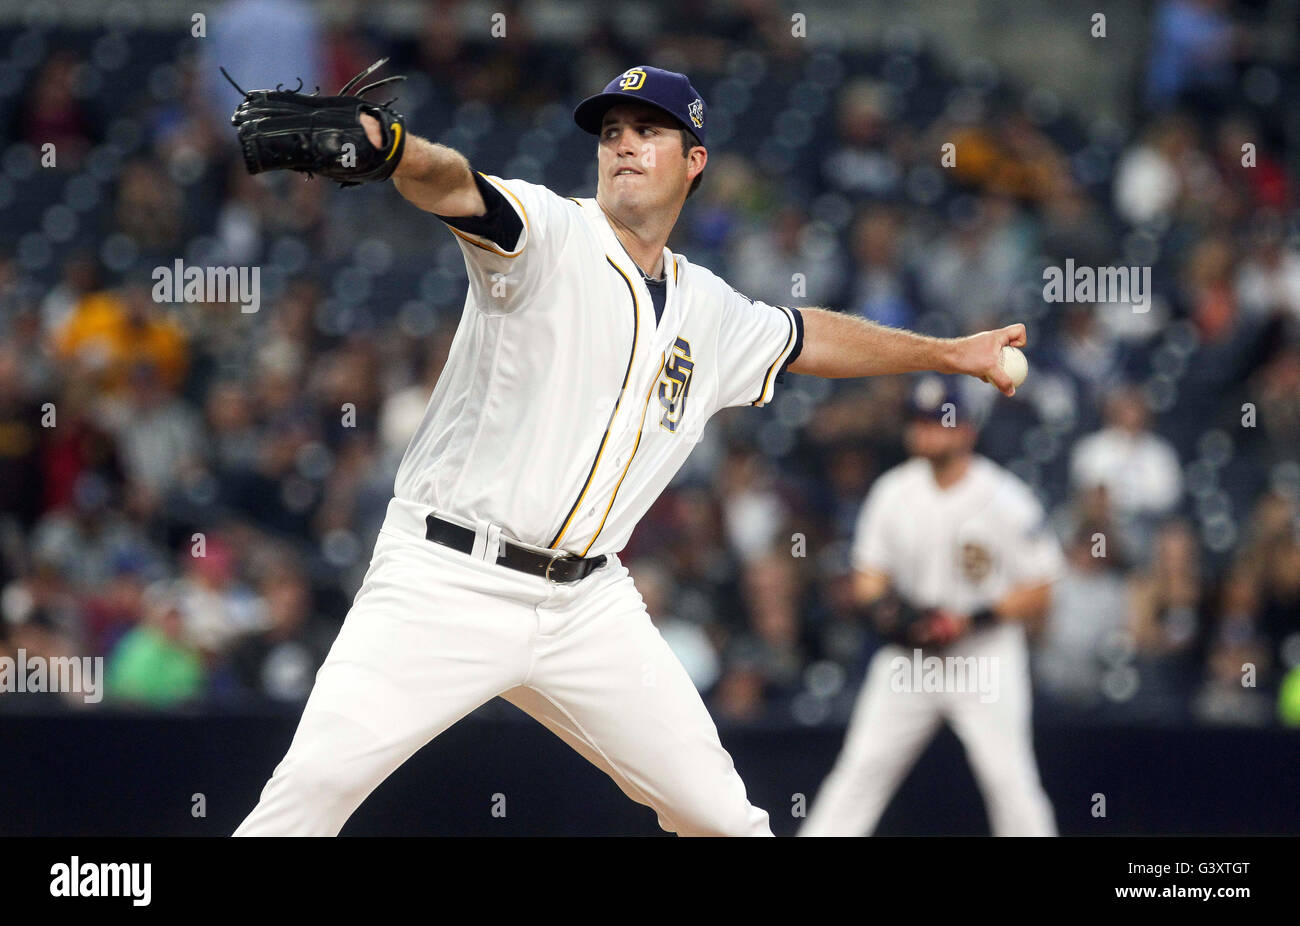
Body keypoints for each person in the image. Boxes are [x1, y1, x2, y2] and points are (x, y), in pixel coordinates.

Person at [232, 65, 1025, 837]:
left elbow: (809, 336)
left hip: (587, 604)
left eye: (650, 132)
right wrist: (395, 148)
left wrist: (951, 353)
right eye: (613, 132)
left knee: (723, 819)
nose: (625, 145)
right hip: (446, 577)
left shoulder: (710, 309)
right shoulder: (550, 233)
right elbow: (455, 186)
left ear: (695, 162)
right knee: (312, 790)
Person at [801, 376, 1061, 836]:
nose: (927, 433)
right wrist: (899, 617)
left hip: (984, 655)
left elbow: (1041, 586)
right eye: (920, 423)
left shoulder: (1004, 497)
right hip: (911, 657)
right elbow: (867, 579)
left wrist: (970, 619)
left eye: (940, 422)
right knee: (860, 772)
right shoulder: (893, 492)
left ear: (966, 430)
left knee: (1009, 780)